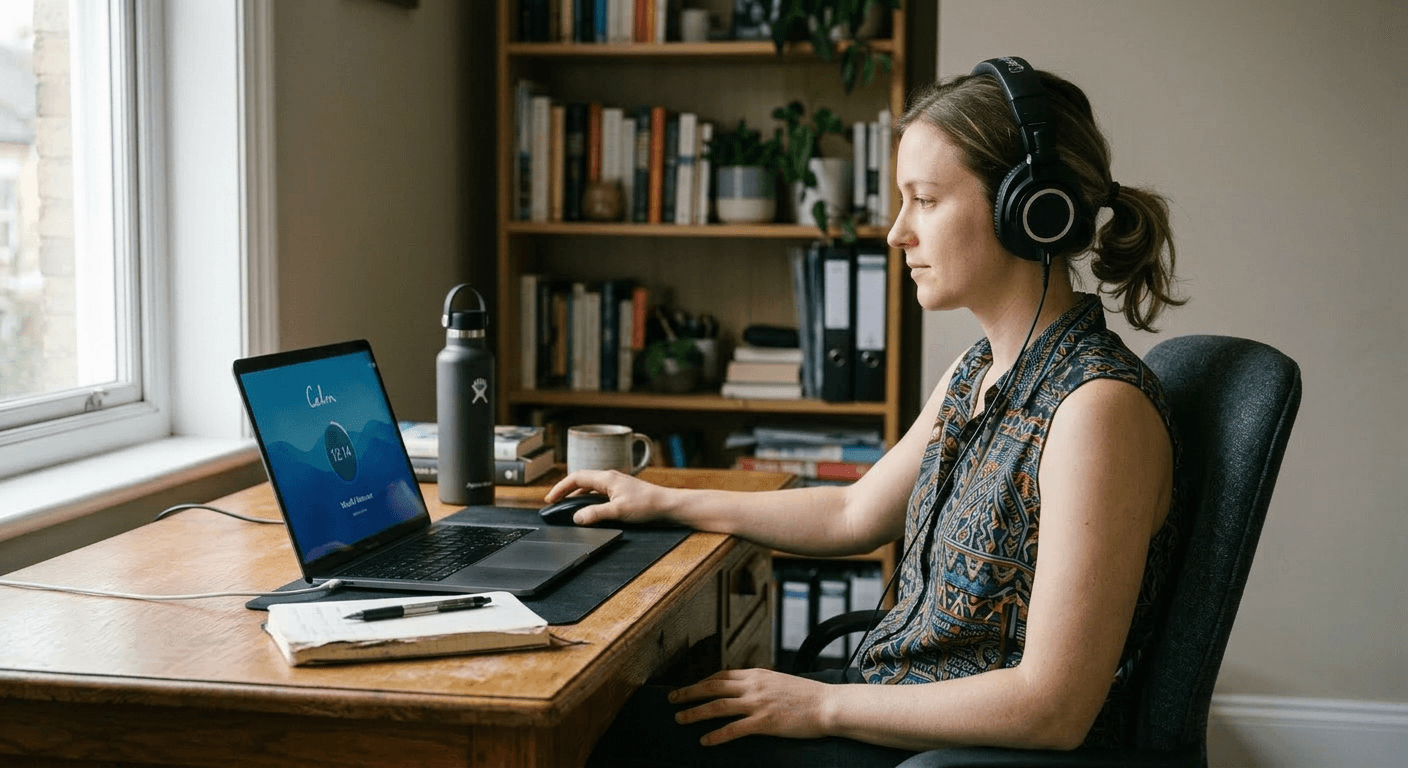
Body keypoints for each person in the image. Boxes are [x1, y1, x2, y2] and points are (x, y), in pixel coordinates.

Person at [550, 57, 1186, 767]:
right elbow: (853, 514)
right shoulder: (980, 371)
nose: (896, 233)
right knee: (626, 716)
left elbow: (1054, 707)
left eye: (926, 200)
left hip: (967, 752)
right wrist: (663, 500)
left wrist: (818, 704)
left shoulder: (1097, 411)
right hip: (897, 710)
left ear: (1028, 209)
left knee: (617, 733)